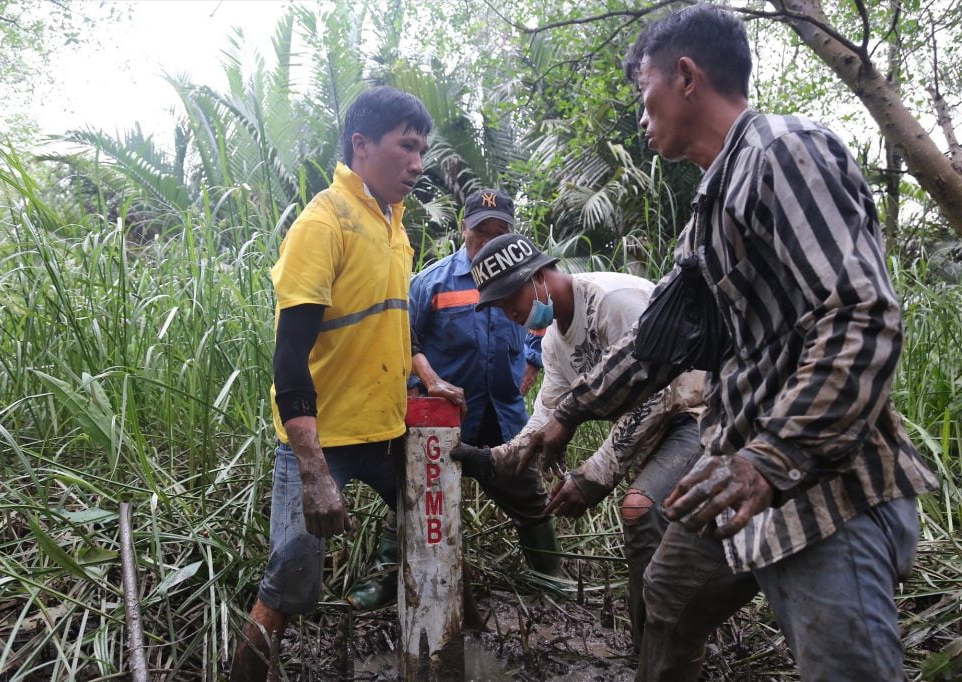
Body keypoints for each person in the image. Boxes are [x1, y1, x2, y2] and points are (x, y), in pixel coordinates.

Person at [515, 5, 938, 680]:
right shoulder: (709, 210)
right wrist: (569, 411)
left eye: (644, 94)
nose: (641, 117)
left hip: (826, 489)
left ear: (687, 77)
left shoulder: (783, 152)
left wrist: (770, 459)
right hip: (738, 477)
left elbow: (861, 318)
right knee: (667, 595)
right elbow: (657, 343)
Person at [228, 85, 432, 681]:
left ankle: (445, 648)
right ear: (361, 145)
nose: (418, 163)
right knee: (290, 577)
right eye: (407, 146)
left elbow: (392, 325)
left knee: (432, 537)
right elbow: (289, 355)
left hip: (386, 432)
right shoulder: (325, 222)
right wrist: (314, 471)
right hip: (323, 441)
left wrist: (428, 376)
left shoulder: (395, 225)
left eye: (423, 150)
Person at [450, 233, 707, 651]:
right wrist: (493, 459)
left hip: (696, 414)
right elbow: (548, 414)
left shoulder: (614, 300)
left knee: (640, 509)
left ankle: (659, 651)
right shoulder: (554, 340)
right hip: (653, 436)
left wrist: (594, 474)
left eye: (509, 299)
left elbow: (657, 394)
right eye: (498, 306)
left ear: (537, 277)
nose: (509, 313)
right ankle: (652, 648)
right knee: (654, 532)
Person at [345, 190, 559, 610]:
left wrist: (533, 361)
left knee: (529, 497)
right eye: (482, 231)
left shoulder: (527, 278)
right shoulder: (433, 282)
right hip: (445, 418)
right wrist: (419, 382)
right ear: (464, 229)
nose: (490, 240)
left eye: (500, 231)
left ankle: (550, 576)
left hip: (504, 416)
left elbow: (545, 321)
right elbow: (402, 337)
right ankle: (386, 577)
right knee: (416, 497)